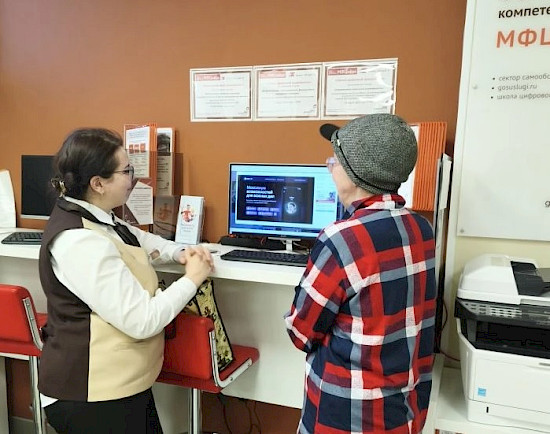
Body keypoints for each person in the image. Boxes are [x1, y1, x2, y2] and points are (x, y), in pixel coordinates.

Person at [38, 128, 214, 434]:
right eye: (126, 171)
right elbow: (142, 320)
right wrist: (192, 279)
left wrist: (180, 252)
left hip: (120, 384)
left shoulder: (98, 215)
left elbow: (137, 238)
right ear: (98, 183)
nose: (133, 178)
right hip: (89, 393)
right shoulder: (79, 241)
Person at [284, 114, 436, 434]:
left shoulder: (342, 240)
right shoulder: (422, 229)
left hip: (345, 417)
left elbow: (300, 333)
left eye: (335, 160)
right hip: (403, 414)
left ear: (355, 175)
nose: (330, 167)